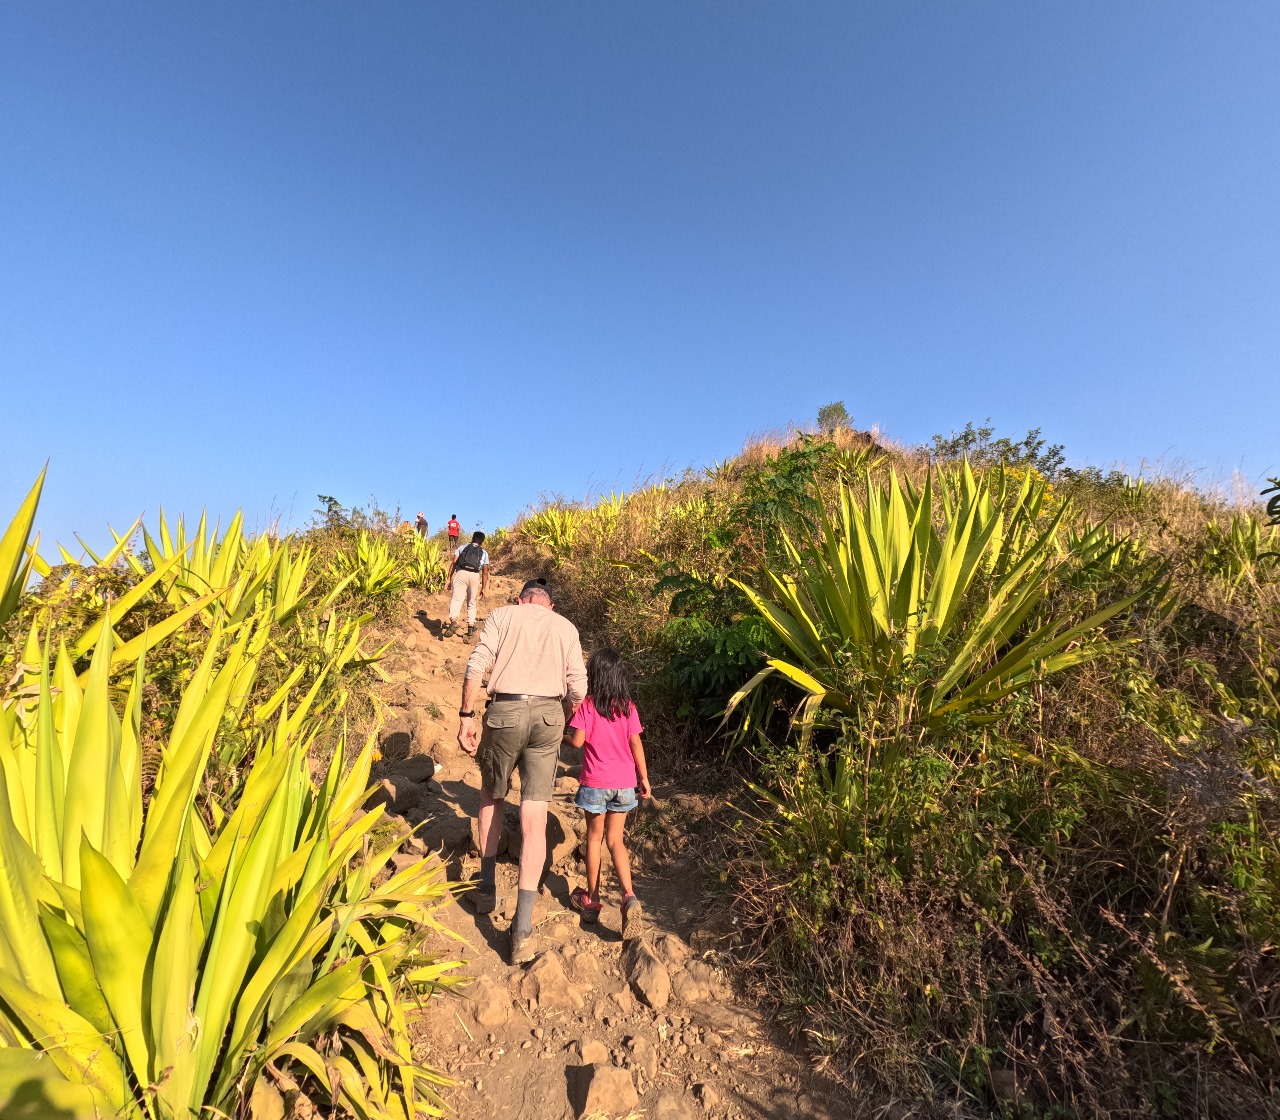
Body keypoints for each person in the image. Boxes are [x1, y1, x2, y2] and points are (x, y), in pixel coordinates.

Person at [457, 578, 587, 964]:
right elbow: (578, 689)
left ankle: (486, 888)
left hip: (505, 710)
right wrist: (559, 719)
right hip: (549, 714)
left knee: (492, 797)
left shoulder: (502, 615)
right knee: (534, 813)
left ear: (521, 599)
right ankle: (523, 929)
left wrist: (466, 714)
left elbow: (476, 664)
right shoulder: (565, 626)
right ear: (549, 604)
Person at [563, 648, 650, 940]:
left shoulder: (588, 706)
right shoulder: (628, 707)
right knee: (616, 841)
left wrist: (561, 734)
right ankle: (629, 896)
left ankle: (593, 900)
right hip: (625, 783)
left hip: (595, 784)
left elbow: (577, 742)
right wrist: (645, 779)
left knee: (594, 839)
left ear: (594, 675)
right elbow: (636, 744)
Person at [443, 531, 489, 638]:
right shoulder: (484, 553)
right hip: (475, 576)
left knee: (456, 599)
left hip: (461, 573)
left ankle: (454, 621)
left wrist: (448, 579)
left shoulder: (462, 547)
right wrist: (484, 587)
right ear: (482, 541)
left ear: (472, 538)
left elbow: (454, 563)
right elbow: (485, 572)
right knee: (472, 602)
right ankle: (471, 627)